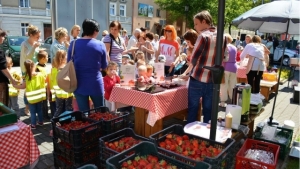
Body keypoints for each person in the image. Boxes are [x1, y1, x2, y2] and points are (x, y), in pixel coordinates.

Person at [187, 10, 227, 124]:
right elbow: (224, 57)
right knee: (208, 112)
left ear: (204, 21)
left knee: (193, 110)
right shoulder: (222, 36)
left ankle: (190, 136)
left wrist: (185, 73)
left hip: (198, 78)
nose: (195, 27)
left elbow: (194, 59)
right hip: (212, 80)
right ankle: (206, 137)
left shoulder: (203, 36)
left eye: (196, 23)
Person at [67, 18, 108, 111]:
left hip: (78, 83)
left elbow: (69, 62)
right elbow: (104, 66)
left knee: (84, 114)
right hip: (95, 83)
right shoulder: (100, 45)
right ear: (95, 31)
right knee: (100, 112)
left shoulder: (73, 44)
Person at [13, 59, 46, 129]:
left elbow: (23, 86)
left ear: (25, 67)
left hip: (31, 98)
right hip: (39, 96)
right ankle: (41, 122)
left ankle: (33, 124)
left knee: (33, 112)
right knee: (39, 110)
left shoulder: (26, 77)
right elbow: (44, 82)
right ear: (34, 66)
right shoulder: (40, 74)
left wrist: (15, 86)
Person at [20, 25, 41, 115]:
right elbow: (27, 57)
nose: (39, 38)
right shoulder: (24, 44)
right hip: (26, 69)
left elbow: (36, 56)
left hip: (35, 68)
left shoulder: (36, 43)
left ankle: (33, 106)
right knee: (27, 88)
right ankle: (27, 107)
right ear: (31, 35)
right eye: (37, 36)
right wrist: (34, 47)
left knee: (34, 87)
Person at [52, 50, 73, 117]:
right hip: (66, 92)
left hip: (58, 93)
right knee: (68, 108)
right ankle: (67, 122)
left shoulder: (54, 69)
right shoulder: (65, 68)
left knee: (58, 109)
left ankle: (54, 122)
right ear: (63, 58)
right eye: (66, 56)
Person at [220, 34, 237, 107]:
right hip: (234, 67)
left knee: (224, 85)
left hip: (225, 67)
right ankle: (233, 99)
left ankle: (223, 101)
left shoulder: (224, 47)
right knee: (233, 84)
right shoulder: (234, 47)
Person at [35, 50, 50, 119]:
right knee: (43, 103)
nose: (48, 58)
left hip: (47, 87)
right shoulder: (37, 68)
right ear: (43, 58)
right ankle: (44, 115)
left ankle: (45, 114)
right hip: (41, 88)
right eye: (47, 57)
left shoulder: (45, 66)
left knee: (46, 102)